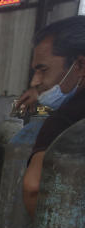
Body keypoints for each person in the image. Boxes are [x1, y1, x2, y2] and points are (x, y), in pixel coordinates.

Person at [17, 15, 85, 216]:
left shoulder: (65, 121)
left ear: (79, 65)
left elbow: (33, 188)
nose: (36, 82)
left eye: (42, 69)